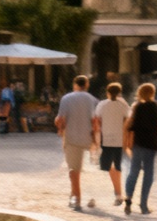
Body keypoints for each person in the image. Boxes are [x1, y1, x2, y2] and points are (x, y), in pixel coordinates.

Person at [55, 75, 100, 210]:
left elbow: (59, 119)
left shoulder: (66, 98)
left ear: (75, 84)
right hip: (89, 139)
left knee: (74, 171)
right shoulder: (93, 100)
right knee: (87, 169)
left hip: (72, 138)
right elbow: (96, 121)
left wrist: (60, 128)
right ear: (87, 85)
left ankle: (77, 199)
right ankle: (78, 196)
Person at [124, 82, 157, 214]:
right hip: (151, 145)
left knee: (133, 172)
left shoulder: (136, 107)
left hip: (137, 144)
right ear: (152, 93)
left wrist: (128, 144)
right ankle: (143, 205)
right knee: (148, 174)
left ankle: (128, 198)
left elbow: (129, 127)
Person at [94, 82, 129, 208]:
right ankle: (118, 192)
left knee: (108, 166)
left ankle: (117, 192)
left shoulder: (102, 104)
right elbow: (127, 120)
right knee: (117, 166)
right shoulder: (123, 104)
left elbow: (97, 122)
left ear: (107, 92)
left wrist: (96, 140)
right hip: (119, 139)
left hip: (106, 139)